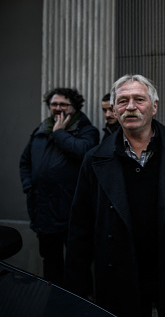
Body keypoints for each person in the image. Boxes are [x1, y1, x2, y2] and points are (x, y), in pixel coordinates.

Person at [64, 74, 165, 317]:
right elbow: (80, 225)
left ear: (154, 106)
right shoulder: (95, 159)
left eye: (139, 99)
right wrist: (79, 281)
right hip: (119, 270)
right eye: (123, 101)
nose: (130, 107)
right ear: (115, 110)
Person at [19, 87, 99, 286]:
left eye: (63, 104)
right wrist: (29, 186)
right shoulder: (41, 129)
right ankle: (52, 300)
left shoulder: (87, 131)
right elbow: (25, 161)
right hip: (43, 209)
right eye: (54, 104)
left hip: (71, 210)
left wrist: (60, 133)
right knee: (50, 260)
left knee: (77, 262)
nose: (58, 108)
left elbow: (83, 152)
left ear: (75, 106)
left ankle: (80, 302)